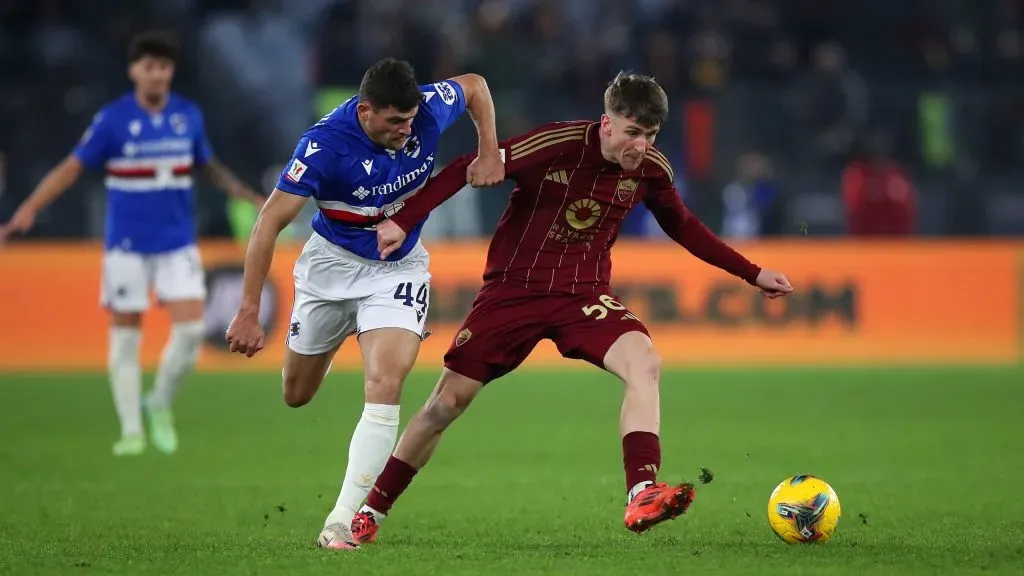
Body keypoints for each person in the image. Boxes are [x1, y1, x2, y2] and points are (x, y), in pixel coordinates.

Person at [352, 72, 794, 544]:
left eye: (649, 135)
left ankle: (642, 491)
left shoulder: (651, 171)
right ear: (607, 124)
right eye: (631, 132)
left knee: (644, 362)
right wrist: (402, 220)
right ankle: (371, 511)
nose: (640, 145)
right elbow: (469, 164)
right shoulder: (557, 144)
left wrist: (752, 273)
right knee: (445, 404)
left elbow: (684, 226)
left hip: (583, 297)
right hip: (513, 293)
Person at [224, 58, 502, 550]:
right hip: (329, 268)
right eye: (395, 122)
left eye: (411, 120)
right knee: (296, 393)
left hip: (398, 266)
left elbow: (477, 85)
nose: (406, 130)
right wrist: (248, 308)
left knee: (385, 382)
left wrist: (487, 152)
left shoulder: (427, 110)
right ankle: (330, 339)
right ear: (366, 111)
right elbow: (268, 223)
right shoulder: (323, 145)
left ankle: (342, 520)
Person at [0, 31, 263, 457]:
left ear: (170, 71)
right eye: (148, 66)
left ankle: (157, 402)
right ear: (134, 71)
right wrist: (29, 209)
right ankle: (130, 431)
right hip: (126, 245)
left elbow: (208, 166)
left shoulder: (187, 116)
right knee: (125, 339)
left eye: (163, 66)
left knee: (193, 330)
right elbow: (71, 168)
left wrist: (247, 194)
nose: (156, 74)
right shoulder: (112, 120)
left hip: (177, 242)